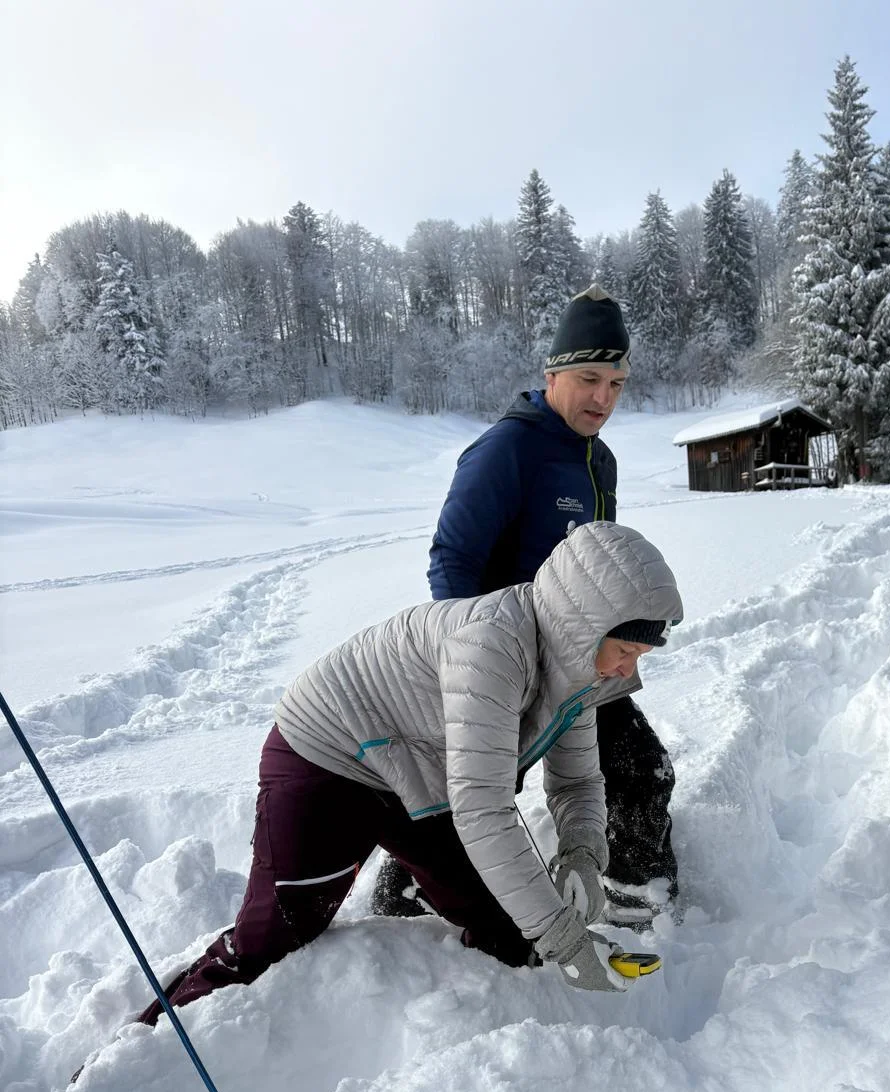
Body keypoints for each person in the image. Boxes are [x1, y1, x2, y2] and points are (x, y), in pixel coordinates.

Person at [136, 522, 683, 1026]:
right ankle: (159, 1038)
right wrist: (565, 939)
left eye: (640, 655)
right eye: (625, 649)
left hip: (414, 767)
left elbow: (577, 783)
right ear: (583, 626)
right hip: (328, 755)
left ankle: (418, 891)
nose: (627, 669)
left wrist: (583, 854)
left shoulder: (579, 671)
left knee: (510, 929)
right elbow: (483, 808)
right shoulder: (491, 646)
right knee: (279, 933)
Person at [373, 285, 678, 929]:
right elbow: (452, 559)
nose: (603, 398)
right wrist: (481, 663)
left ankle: (628, 891)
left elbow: (600, 564)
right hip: (505, 657)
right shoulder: (506, 450)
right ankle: (403, 894)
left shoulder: (601, 461)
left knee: (639, 769)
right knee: (476, 786)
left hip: (581, 656)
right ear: (552, 375)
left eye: (617, 384)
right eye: (589, 379)